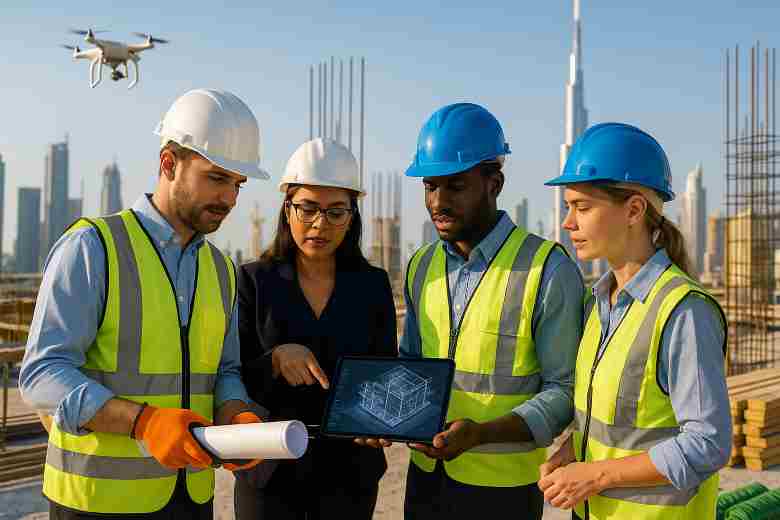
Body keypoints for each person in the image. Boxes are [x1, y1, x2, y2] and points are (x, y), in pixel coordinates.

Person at [19, 88, 269, 519]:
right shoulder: (94, 247)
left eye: (237, 184)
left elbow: (224, 370)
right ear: (168, 163)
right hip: (96, 502)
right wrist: (144, 422)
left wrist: (236, 411)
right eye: (216, 177)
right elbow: (42, 374)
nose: (230, 199)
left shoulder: (222, 270)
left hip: (190, 497)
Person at [375, 102, 584, 520]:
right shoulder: (421, 265)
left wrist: (480, 435)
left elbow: (565, 390)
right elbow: (413, 364)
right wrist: (381, 414)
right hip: (426, 479)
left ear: (494, 183)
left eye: (454, 186)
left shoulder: (547, 269)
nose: (437, 201)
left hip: (502, 488)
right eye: (430, 186)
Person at [539, 122, 731, 520]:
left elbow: (707, 443)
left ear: (633, 210)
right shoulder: (599, 306)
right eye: (568, 207)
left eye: (582, 207)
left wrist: (596, 475)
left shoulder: (683, 310)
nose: (567, 223)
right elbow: (626, 425)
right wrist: (576, 449)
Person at [233, 137, 398, 520]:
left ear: (352, 215)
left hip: (350, 473)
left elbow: (384, 372)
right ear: (287, 209)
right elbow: (232, 376)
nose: (320, 224)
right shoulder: (252, 281)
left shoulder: (372, 286)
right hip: (269, 469)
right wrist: (274, 360)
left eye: (336, 211)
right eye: (307, 208)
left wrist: (380, 418)